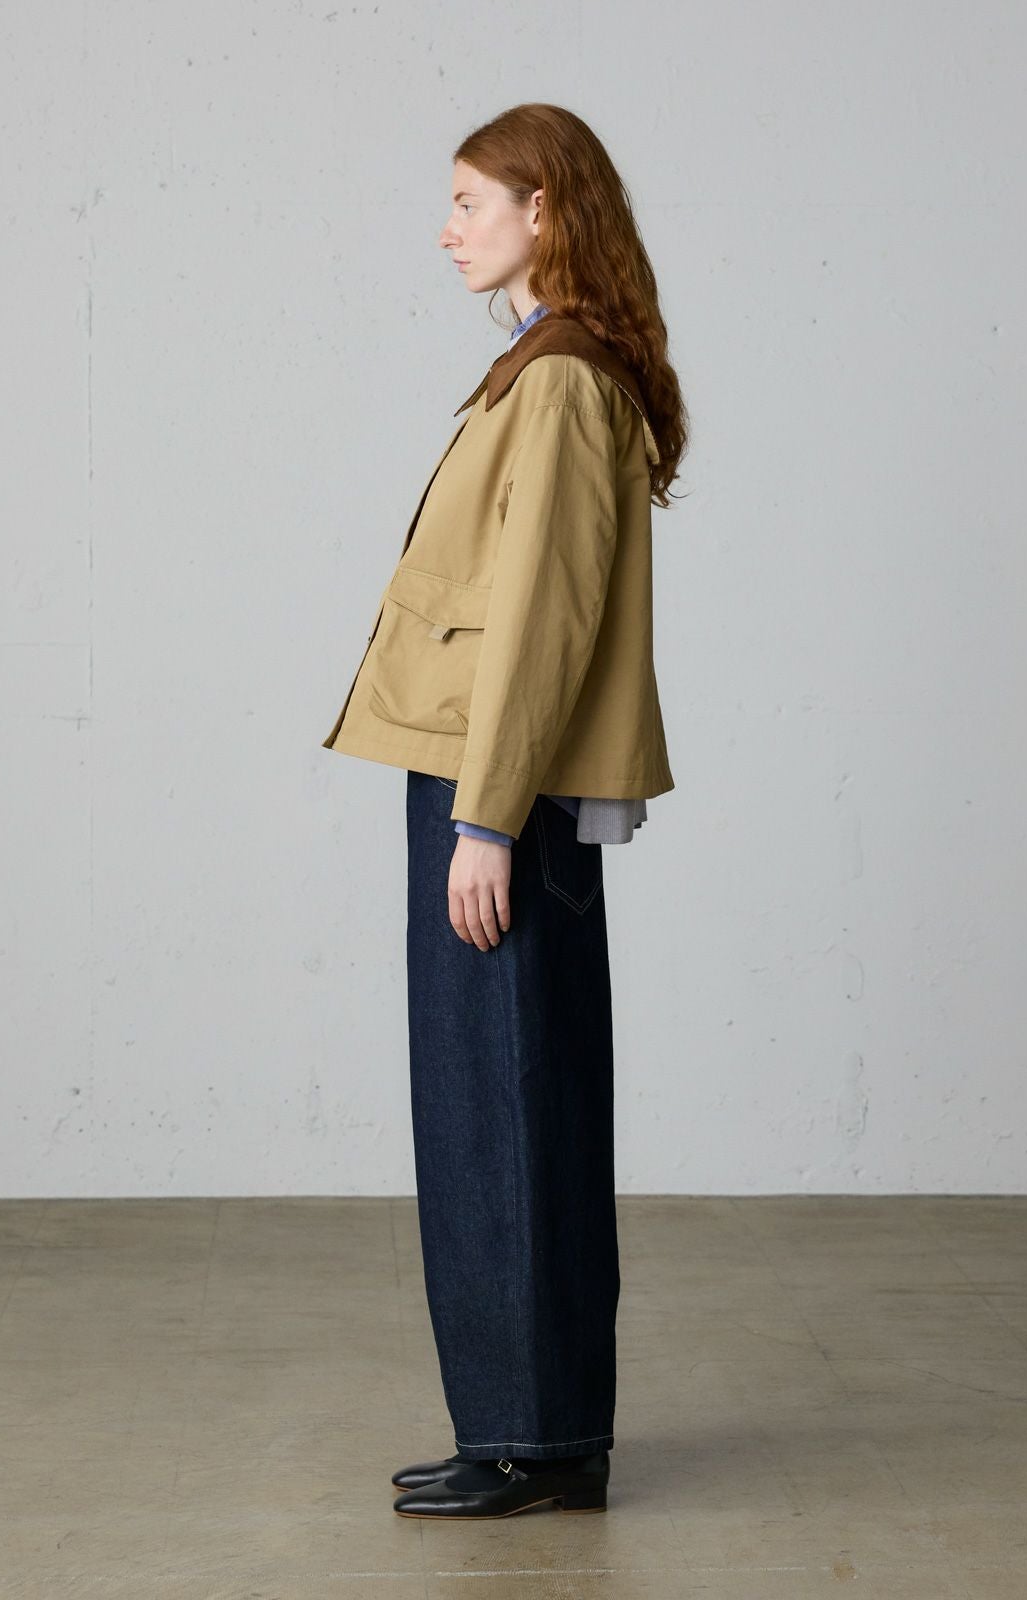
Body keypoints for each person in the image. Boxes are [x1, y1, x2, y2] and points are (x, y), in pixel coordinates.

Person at [321, 102, 688, 1518]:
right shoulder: (552, 368)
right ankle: (537, 1430)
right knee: (509, 1096)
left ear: (545, 210)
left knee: (502, 1102)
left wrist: (484, 822)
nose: (448, 229)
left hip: (499, 786)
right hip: (498, 776)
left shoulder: (559, 382)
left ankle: (533, 1437)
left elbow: (540, 615)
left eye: (470, 201)